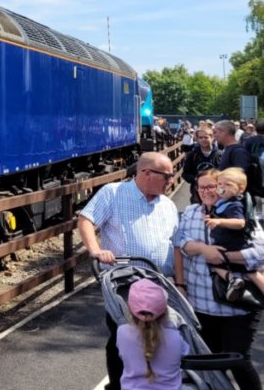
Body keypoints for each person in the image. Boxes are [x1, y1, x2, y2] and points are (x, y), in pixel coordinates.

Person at [79, 151, 179, 390]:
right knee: (122, 337)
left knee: (161, 336)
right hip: (125, 283)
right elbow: (86, 220)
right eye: (167, 176)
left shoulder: (167, 204)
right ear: (146, 173)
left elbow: (175, 244)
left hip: (160, 283)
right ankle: (119, 384)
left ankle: (154, 383)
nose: (171, 181)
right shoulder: (113, 193)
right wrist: (96, 250)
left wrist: (181, 284)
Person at [174, 168, 264, 390]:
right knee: (210, 361)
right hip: (202, 303)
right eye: (201, 187)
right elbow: (179, 241)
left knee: (238, 360)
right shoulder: (192, 213)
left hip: (237, 304)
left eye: (211, 186)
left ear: (223, 186)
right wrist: (203, 249)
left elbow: (260, 252)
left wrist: (223, 256)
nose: (206, 191)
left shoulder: (238, 211)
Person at [117, 279, 189, 390]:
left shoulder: (122, 333)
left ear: (129, 309)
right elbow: (185, 352)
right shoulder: (175, 338)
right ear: (165, 311)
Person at [204, 168, 264, 300]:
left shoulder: (234, 205)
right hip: (228, 244)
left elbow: (240, 223)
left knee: (213, 262)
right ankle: (233, 280)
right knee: (248, 272)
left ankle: (232, 279)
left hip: (233, 245)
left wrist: (219, 221)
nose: (222, 187)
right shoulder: (223, 203)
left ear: (240, 189)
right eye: (219, 184)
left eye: (228, 184)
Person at [181, 127, 219, 203]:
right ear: (197, 139)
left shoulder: (221, 155)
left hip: (216, 194)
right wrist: (196, 179)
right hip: (197, 194)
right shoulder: (192, 155)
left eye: (206, 137)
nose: (203, 140)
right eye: (200, 137)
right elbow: (185, 174)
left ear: (212, 138)